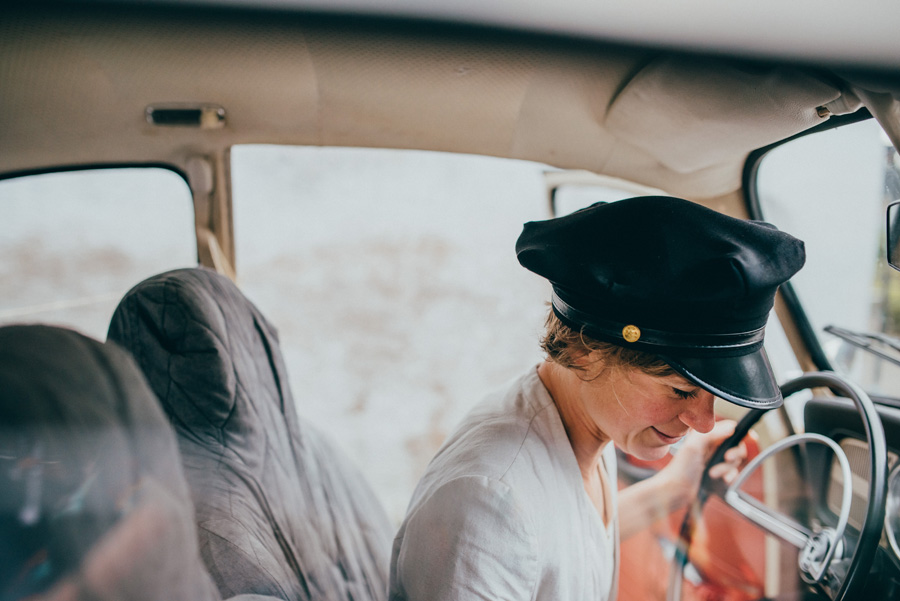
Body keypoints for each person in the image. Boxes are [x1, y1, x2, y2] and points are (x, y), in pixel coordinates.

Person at [388, 196, 805, 601]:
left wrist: (674, 489)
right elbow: (519, 528)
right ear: (589, 349)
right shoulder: (487, 505)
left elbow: (563, 541)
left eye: (711, 393)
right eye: (681, 390)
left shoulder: (586, 419)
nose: (704, 421)